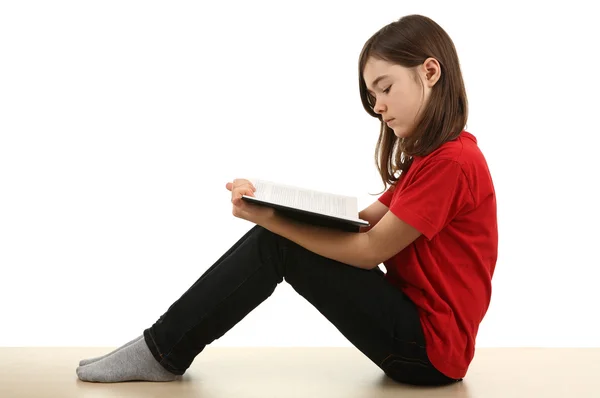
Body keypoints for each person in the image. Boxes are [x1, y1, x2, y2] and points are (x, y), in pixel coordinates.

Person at [76, 14, 497, 386]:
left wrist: (272, 223)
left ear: (430, 72)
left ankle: (161, 351)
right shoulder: (433, 159)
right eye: (372, 97)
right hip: (417, 338)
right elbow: (364, 219)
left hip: (429, 352)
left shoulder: (454, 162)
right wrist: (270, 203)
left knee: (275, 243)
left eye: (384, 88)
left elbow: (370, 250)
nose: (378, 107)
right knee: (275, 236)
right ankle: (160, 348)